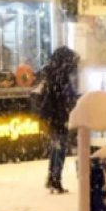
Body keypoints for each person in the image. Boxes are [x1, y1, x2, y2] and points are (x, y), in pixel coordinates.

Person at [37, 46, 79, 194]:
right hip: (59, 117)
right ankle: (56, 179)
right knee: (59, 149)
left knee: (56, 148)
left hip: (53, 117)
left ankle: (52, 178)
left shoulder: (51, 74)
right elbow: (65, 98)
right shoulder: (61, 77)